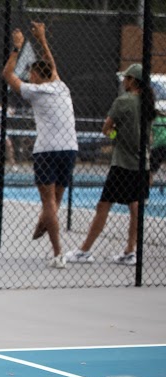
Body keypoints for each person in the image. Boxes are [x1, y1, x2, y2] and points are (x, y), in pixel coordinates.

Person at [3, 22, 78, 269]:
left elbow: (7, 76)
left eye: (32, 73)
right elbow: (52, 64)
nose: (29, 76)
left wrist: (17, 48)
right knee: (54, 202)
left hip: (47, 151)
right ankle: (44, 224)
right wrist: (42, 39)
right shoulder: (61, 86)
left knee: (49, 204)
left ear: (37, 75)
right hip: (69, 149)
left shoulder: (35, 91)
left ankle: (58, 254)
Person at [65, 63, 155, 266]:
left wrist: (116, 135)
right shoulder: (148, 103)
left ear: (132, 81)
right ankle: (131, 251)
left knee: (103, 205)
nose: (123, 81)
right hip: (142, 164)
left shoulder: (123, 101)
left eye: (126, 78)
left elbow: (107, 128)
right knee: (135, 207)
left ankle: (84, 250)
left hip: (123, 164)